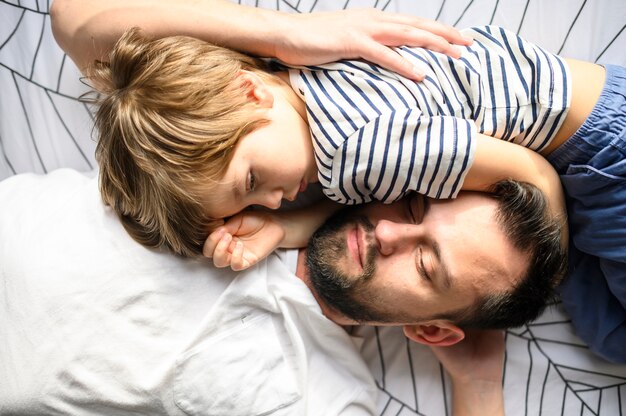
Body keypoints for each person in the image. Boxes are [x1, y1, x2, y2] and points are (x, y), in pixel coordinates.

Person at [51, 0, 625, 364]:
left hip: (597, 153)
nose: (276, 196)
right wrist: (281, 38)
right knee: (606, 338)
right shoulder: (299, 73)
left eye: (253, 179)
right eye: (253, 198)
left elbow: (527, 169)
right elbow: (76, 21)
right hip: (590, 128)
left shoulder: (356, 153)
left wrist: (550, 243)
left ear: (246, 92)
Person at [0, 168, 558, 415]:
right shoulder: (272, 168)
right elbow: (77, 19)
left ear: (431, 328)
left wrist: (480, 387)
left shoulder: (328, 398)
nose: (388, 233)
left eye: (426, 264)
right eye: (413, 209)